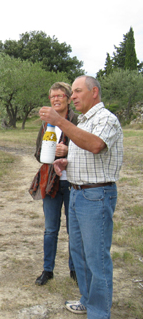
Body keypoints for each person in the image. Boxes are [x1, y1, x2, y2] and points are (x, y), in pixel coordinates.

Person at [40, 76, 123, 318]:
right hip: (77, 193)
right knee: (81, 253)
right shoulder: (86, 121)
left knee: (96, 257)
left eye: (77, 91)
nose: (72, 96)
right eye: (72, 92)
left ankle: (98, 312)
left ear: (94, 92)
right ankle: (87, 300)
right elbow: (86, 152)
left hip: (96, 195)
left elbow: (96, 145)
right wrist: (67, 161)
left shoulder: (106, 118)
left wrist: (58, 122)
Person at [29, 82, 78, 286]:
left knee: (74, 229)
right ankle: (48, 270)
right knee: (50, 229)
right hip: (51, 182)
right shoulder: (45, 124)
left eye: (60, 95)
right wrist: (47, 152)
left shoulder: (78, 120)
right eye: (52, 97)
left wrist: (67, 151)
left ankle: (75, 270)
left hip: (74, 181)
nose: (56, 99)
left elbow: (86, 149)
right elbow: (39, 154)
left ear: (68, 98)